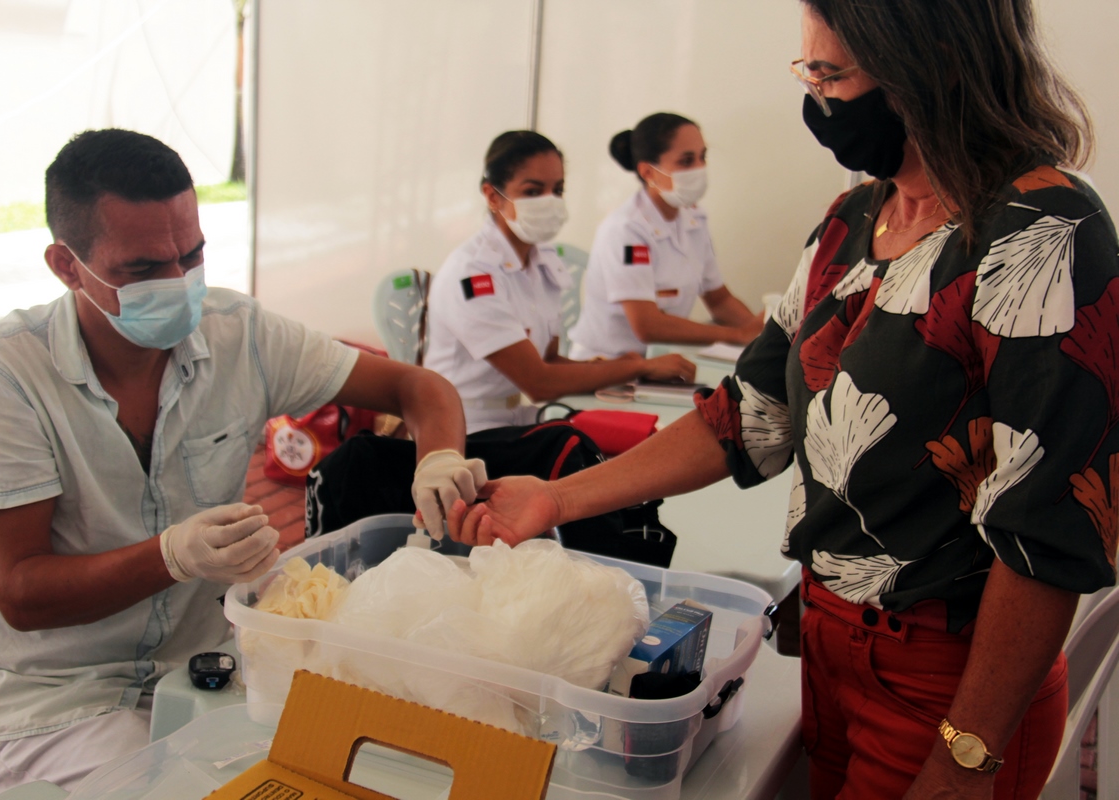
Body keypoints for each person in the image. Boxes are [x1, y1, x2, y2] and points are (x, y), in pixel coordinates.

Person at [449, 1, 1119, 797]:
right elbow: (745, 415)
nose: (818, 98)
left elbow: (1050, 532)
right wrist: (553, 500)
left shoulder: (1040, 233)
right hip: (830, 650)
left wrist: (966, 754)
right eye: (808, 71)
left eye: (832, 74)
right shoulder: (852, 220)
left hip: (952, 681)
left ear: (934, 65)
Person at [0, 129, 483, 798]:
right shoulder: (2, 375)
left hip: (213, 674)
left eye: (191, 255)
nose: (178, 283)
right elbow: (21, 593)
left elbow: (418, 390)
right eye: (142, 269)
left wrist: (439, 459)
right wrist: (171, 556)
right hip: (58, 704)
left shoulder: (238, 333)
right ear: (66, 264)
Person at [425, 130, 696, 433]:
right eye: (532, 191)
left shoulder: (541, 263)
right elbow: (539, 382)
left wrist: (620, 369)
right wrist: (637, 366)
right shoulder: (473, 273)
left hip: (519, 417)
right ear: (492, 196)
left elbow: (549, 360)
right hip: (464, 429)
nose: (549, 201)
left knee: (642, 438)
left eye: (557, 190)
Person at [567, 113, 763, 361]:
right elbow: (647, 325)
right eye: (686, 161)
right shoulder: (627, 230)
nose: (699, 168)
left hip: (656, 364)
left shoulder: (694, 220)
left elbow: (719, 299)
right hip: (605, 366)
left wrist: (763, 335)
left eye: (702, 157)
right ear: (648, 172)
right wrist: (737, 335)